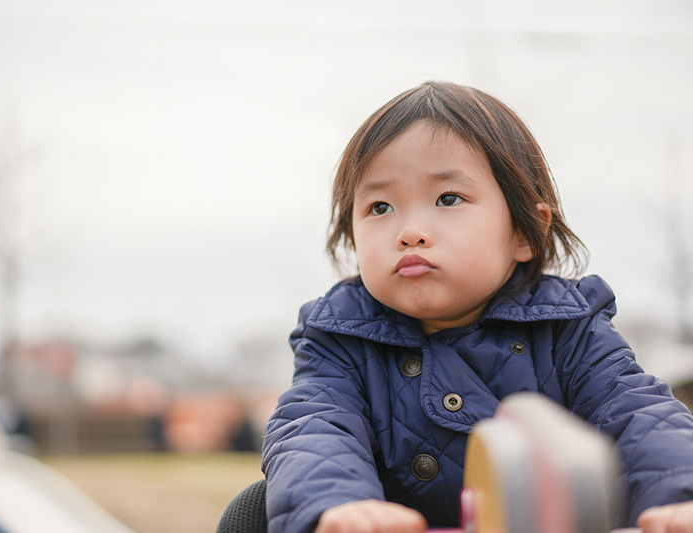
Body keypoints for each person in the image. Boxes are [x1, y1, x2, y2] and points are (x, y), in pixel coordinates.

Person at [261, 81, 693, 533]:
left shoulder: (569, 328)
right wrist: (341, 506)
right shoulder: (341, 336)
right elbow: (316, 428)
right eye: (380, 206)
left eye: (448, 199)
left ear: (526, 233)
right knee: (249, 512)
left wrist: (679, 495)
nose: (409, 231)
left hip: (547, 520)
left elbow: (638, 416)